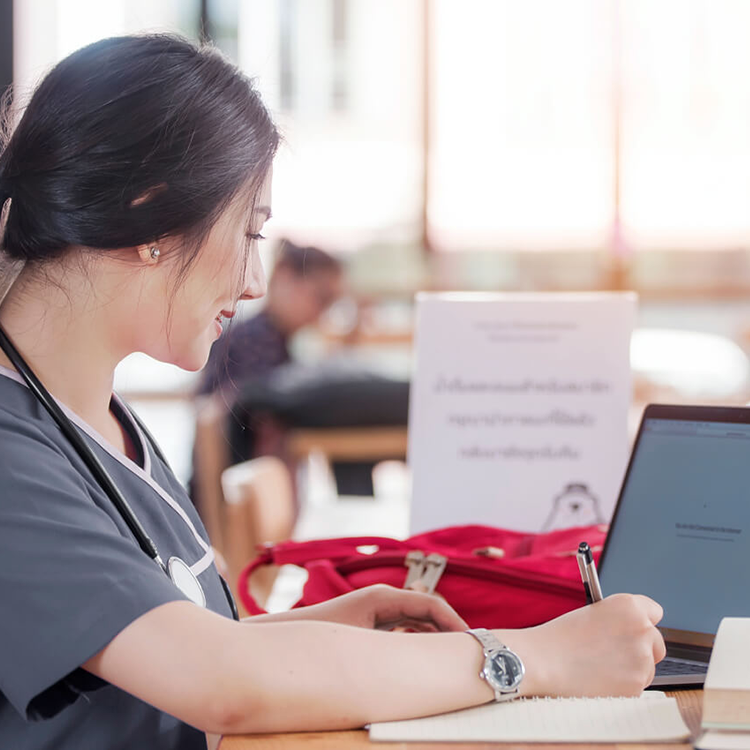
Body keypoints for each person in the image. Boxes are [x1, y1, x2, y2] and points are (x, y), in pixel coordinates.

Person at [0, 34, 665, 749]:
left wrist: (324, 627)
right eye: (250, 233)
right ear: (152, 213)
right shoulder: (14, 453)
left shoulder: (95, 419)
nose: (254, 282)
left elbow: (162, 654)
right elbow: (218, 682)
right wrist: (534, 658)